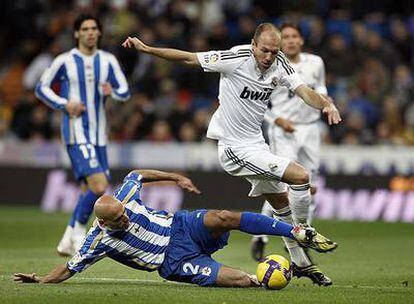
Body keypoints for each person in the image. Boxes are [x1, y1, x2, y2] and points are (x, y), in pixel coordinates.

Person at [122, 22, 341, 285]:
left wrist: (326, 105)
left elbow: (304, 92)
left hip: (256, 145)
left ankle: (300, 262)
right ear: (253, 45)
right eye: (264, 51)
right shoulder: (235, 58)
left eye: (274, 51)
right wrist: (147, 49)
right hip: (233, 149)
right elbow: (189, 58)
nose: (268, 57)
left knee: (280, 203)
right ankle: (304, 230)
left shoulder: (280, 63)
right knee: (300, 175)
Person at [13, 169, 336, 287]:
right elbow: (69, 269)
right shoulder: (96, 241)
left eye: (125, 213)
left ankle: (295, 231)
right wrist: (40, 279)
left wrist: (174, 177)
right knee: (238, 280)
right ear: (104, 223)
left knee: (224, 216)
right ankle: (263, 278)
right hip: (175, 261)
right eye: (120, 220)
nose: (125, 217)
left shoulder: (123, 196)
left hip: (181, 226)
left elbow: (137, 174)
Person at [35, 14, 130, 256]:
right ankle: (78, 232)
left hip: (100, 135)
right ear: (77, 33)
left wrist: (113, 92)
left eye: (94, 28)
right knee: (100, 185)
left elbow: (125, 91)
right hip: (77, 132)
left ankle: (67, 239)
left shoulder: (108, 60)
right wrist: (64, 104)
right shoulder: (65, 61)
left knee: (87, 189)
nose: (90, 32)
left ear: (99, 33)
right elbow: (41, 88)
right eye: (85, 29)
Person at [251, 23, 333, 284]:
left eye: (294, 36)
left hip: (310, 130)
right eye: (285, 37)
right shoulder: (271, 62)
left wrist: (326, 104)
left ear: (301, 40)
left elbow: (320, 89)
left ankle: (303, 238)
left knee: (309, 187)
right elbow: (259, 100)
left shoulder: (315, 62)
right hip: (284, 130)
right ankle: (263, 236)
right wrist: (276, 120)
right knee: (281, 188)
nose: (290, 41)